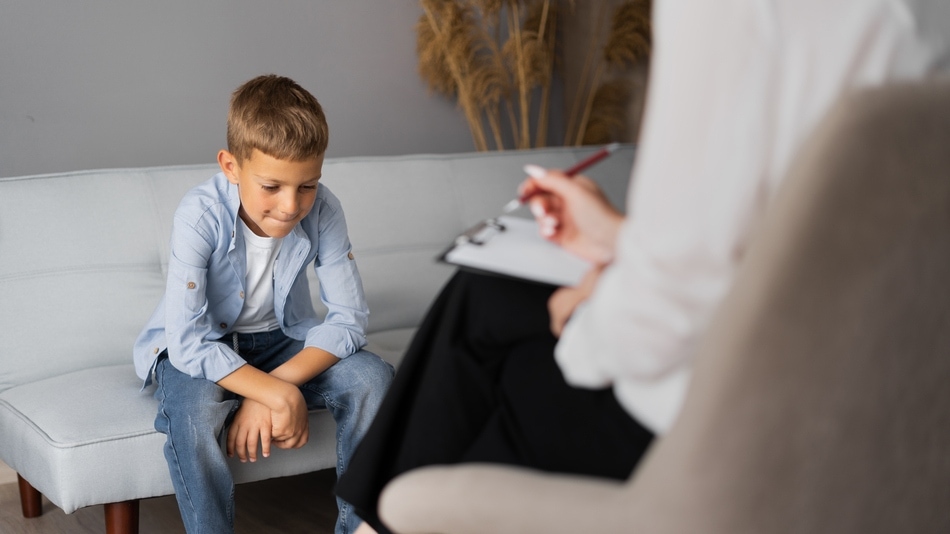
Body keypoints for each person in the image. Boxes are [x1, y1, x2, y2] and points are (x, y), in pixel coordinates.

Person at [336, 1, 950, 533]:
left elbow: (658, 323)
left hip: (718, 416)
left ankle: (390, 519)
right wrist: (623, 239)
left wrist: (586, 317)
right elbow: (805, 242)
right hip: (871, 388)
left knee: (505, 358)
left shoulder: (737, 11)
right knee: (482, 294)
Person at [133, 74, 394, 534]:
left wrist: (272, 385)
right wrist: (272, 392)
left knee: (374, 377)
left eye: (307, 185)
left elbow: (350, 321)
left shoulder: (325, 210)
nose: (292, 205)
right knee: (193, 413)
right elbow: (189, 343)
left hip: (281, 342)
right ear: (231, 166)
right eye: (271, 187)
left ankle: (359, 529)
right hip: (199, 347)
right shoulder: (199, 215)